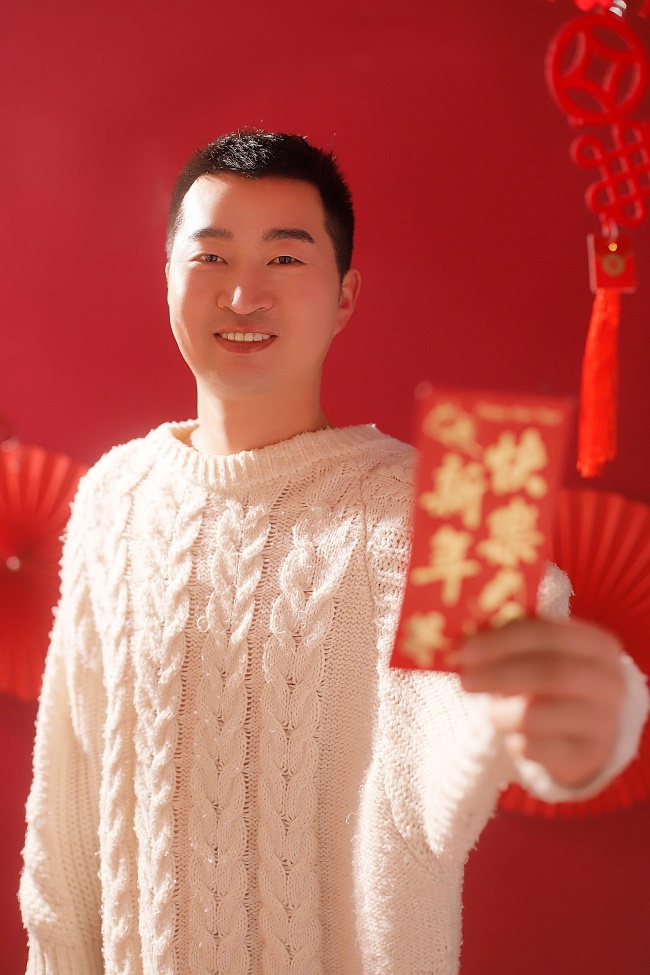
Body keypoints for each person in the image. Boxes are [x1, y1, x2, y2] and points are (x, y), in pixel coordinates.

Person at [19, 130, 648, 975]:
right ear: (167, 277)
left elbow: (502, 695)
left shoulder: (423, 512)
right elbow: (65, 811)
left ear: (346, 294)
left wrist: (583, 719)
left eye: (284, 259)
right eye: (211, 256)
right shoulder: (113, 495)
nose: (243, 294)